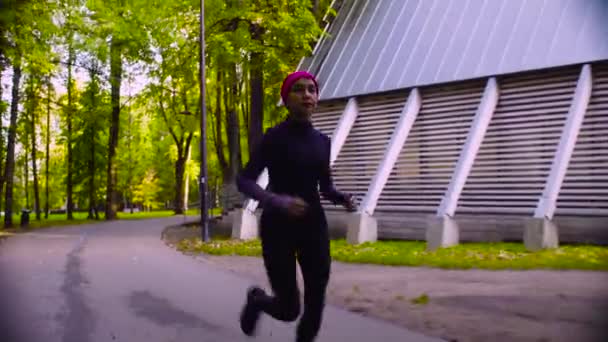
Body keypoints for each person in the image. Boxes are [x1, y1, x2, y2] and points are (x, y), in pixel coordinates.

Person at [236, 71, 356, 342]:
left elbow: (324, 186)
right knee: (290, 309)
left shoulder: (322, 142)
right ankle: (257, 301)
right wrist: (274, 200)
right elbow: (243, 179)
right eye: (299, 90)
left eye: (312, 90)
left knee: (316, 301)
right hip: (277, 227)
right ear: (286, 99)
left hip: (313, 226)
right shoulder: (273, 138)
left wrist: (340, 197)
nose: (307, 95)